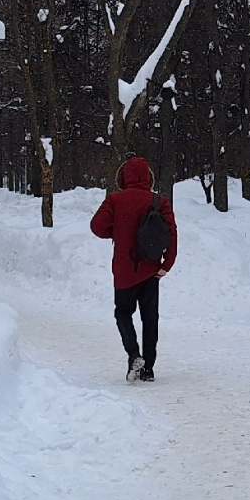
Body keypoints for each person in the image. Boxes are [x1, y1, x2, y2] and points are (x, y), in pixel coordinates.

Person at [90, 156, 178, 383]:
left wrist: (118, 231)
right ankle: (148, 368)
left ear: (123, 177)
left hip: (124, 269)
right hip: (151, 268)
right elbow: (171, 234)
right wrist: (166, 264)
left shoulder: (115, 200)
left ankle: (133, 355)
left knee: (123, 313)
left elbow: (96, 226)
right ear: (149, 177)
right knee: (150, 318)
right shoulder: (159, 201)